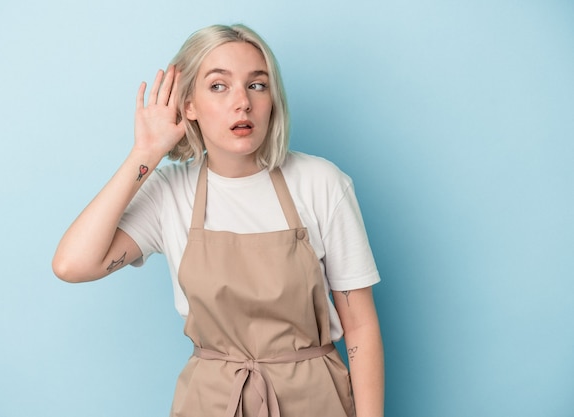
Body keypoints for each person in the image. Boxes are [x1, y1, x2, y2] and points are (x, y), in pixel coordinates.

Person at [52, 23, 384, 417]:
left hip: (316, 402)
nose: (242, 102)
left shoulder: (321, 183)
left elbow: (361, 328)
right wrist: (145, 152)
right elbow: (72, 265)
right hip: (209, 403)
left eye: (257, 85)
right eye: (218, 86)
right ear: (188, 105)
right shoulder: (169, 193)